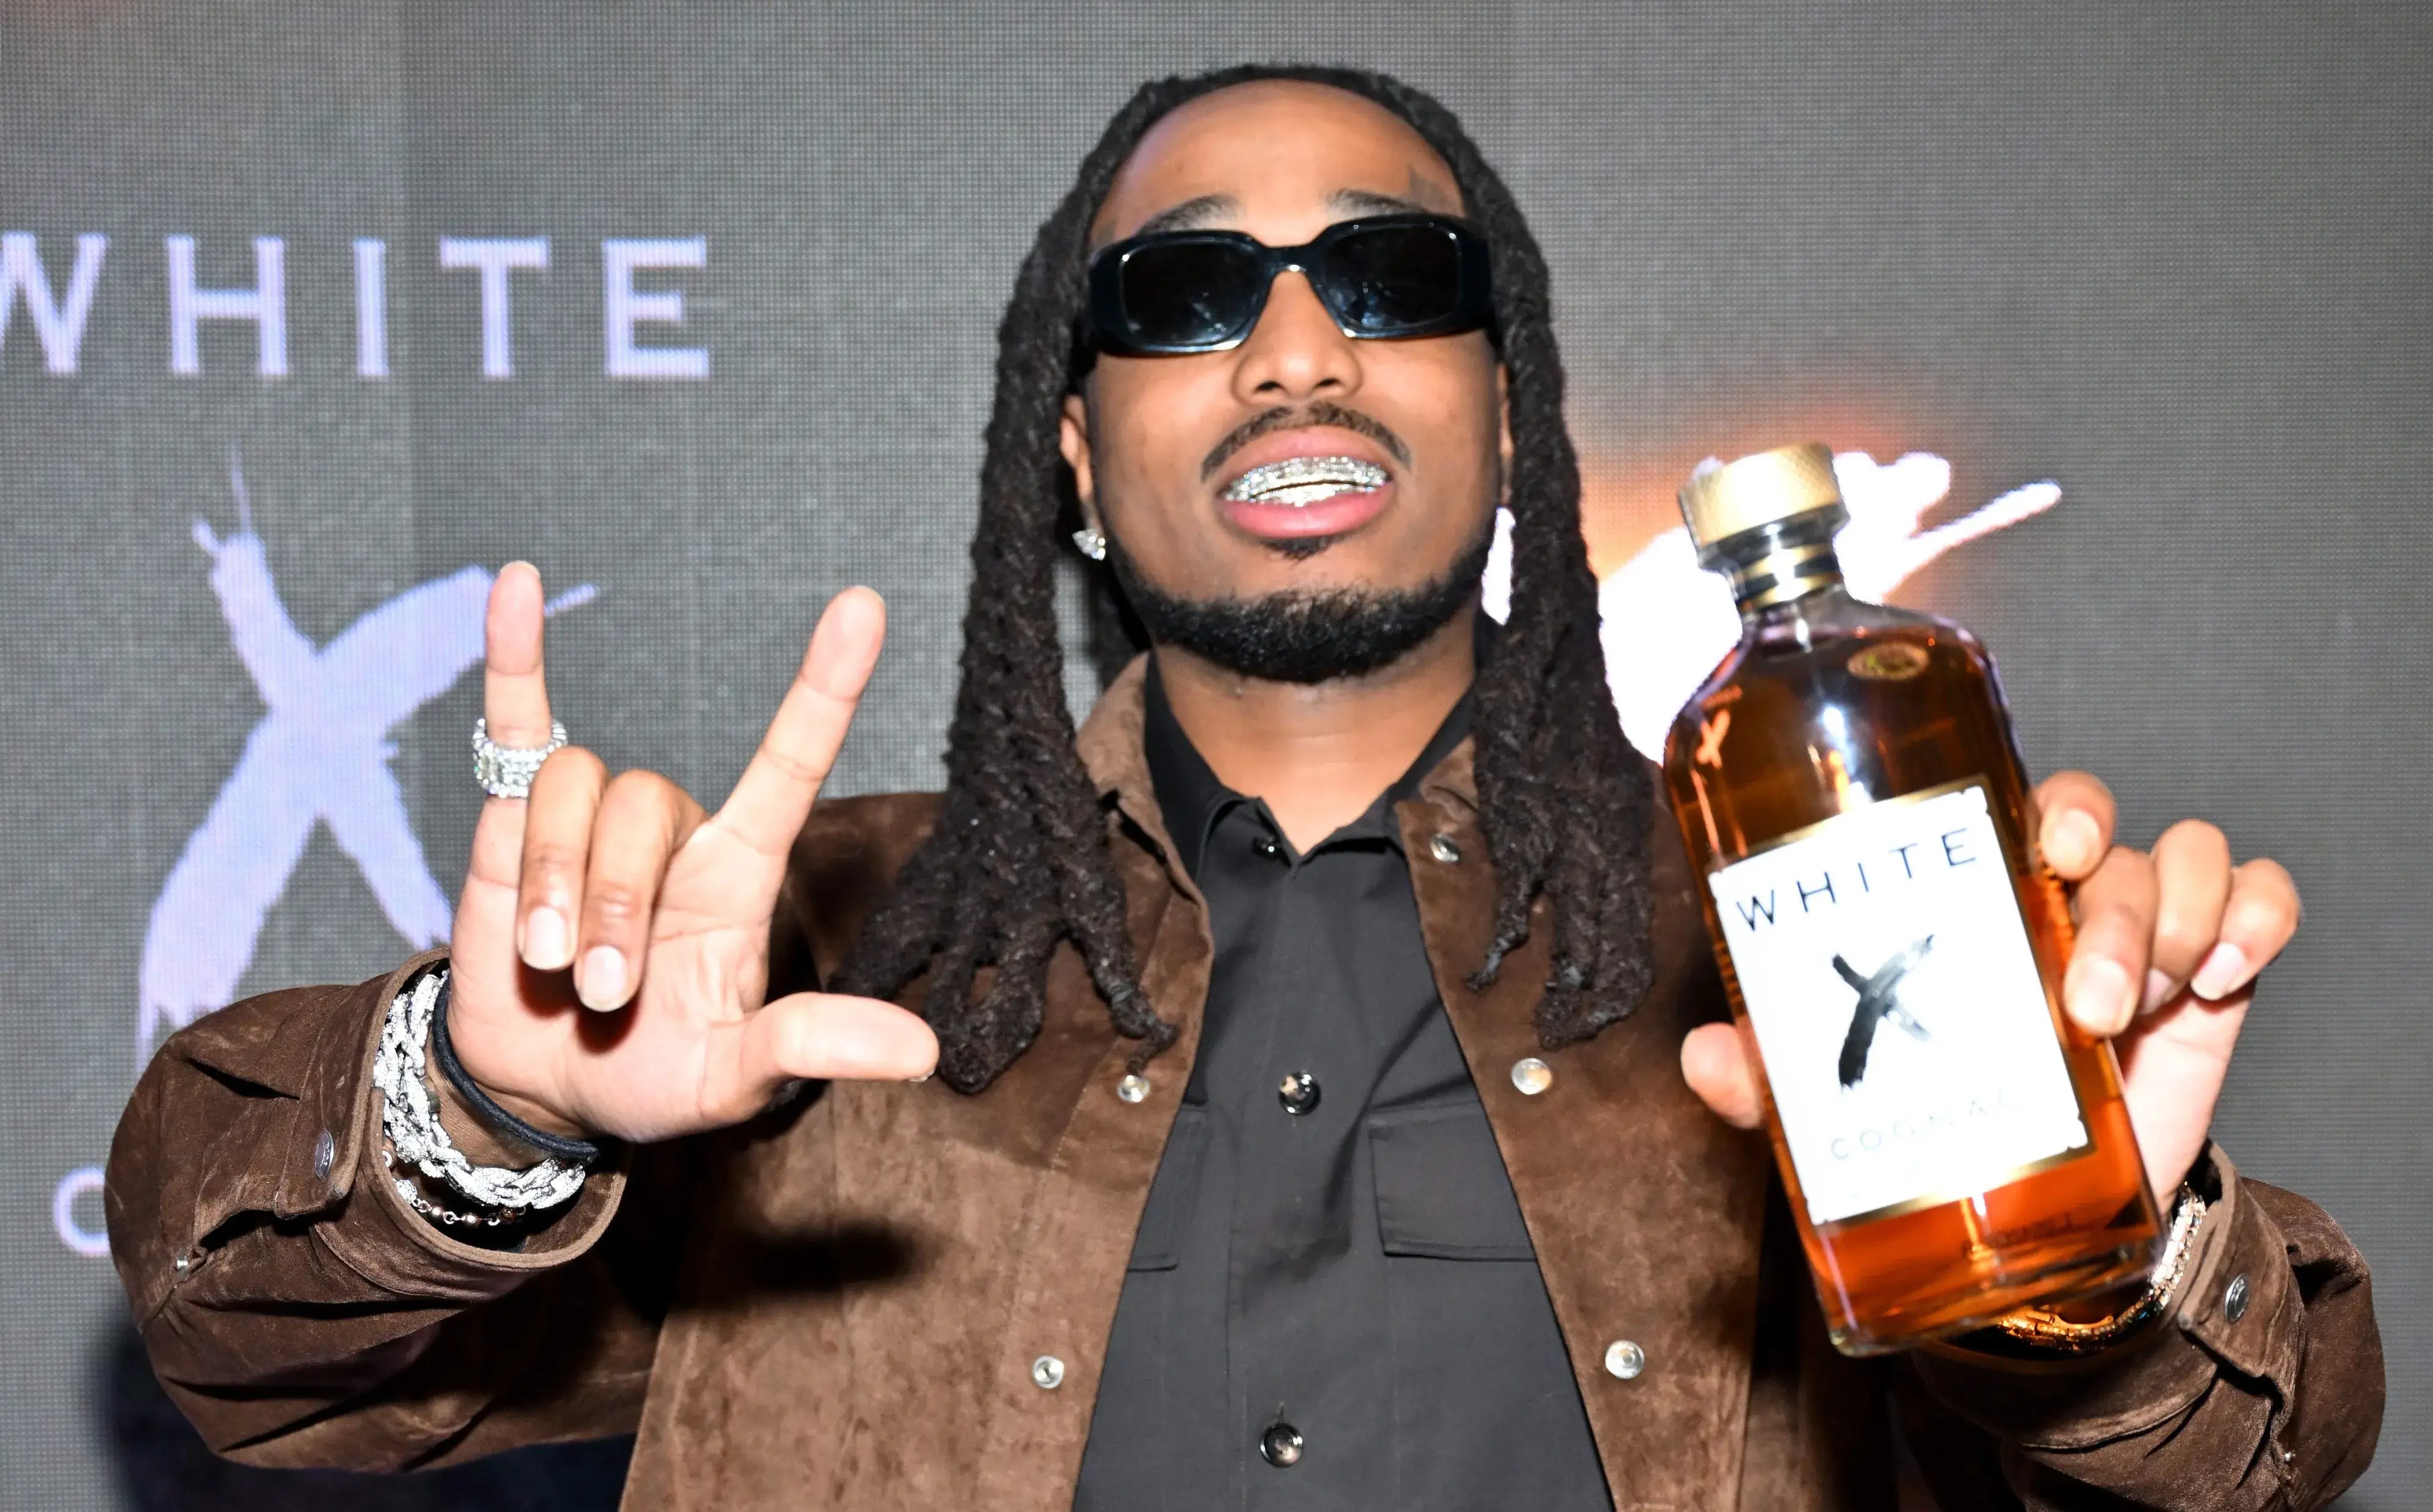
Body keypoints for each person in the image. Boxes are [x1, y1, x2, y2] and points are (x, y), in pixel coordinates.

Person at [107, 64, 2380, 1511]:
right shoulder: (804, 960)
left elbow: (2258, 1458)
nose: (1294, 343)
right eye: (1188, 295)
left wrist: (2105, 1264)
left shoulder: (1793, 932)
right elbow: (252, 1358)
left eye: (1384, 276)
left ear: (1509, 417)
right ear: (1074, 459)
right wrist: (486, 1118)